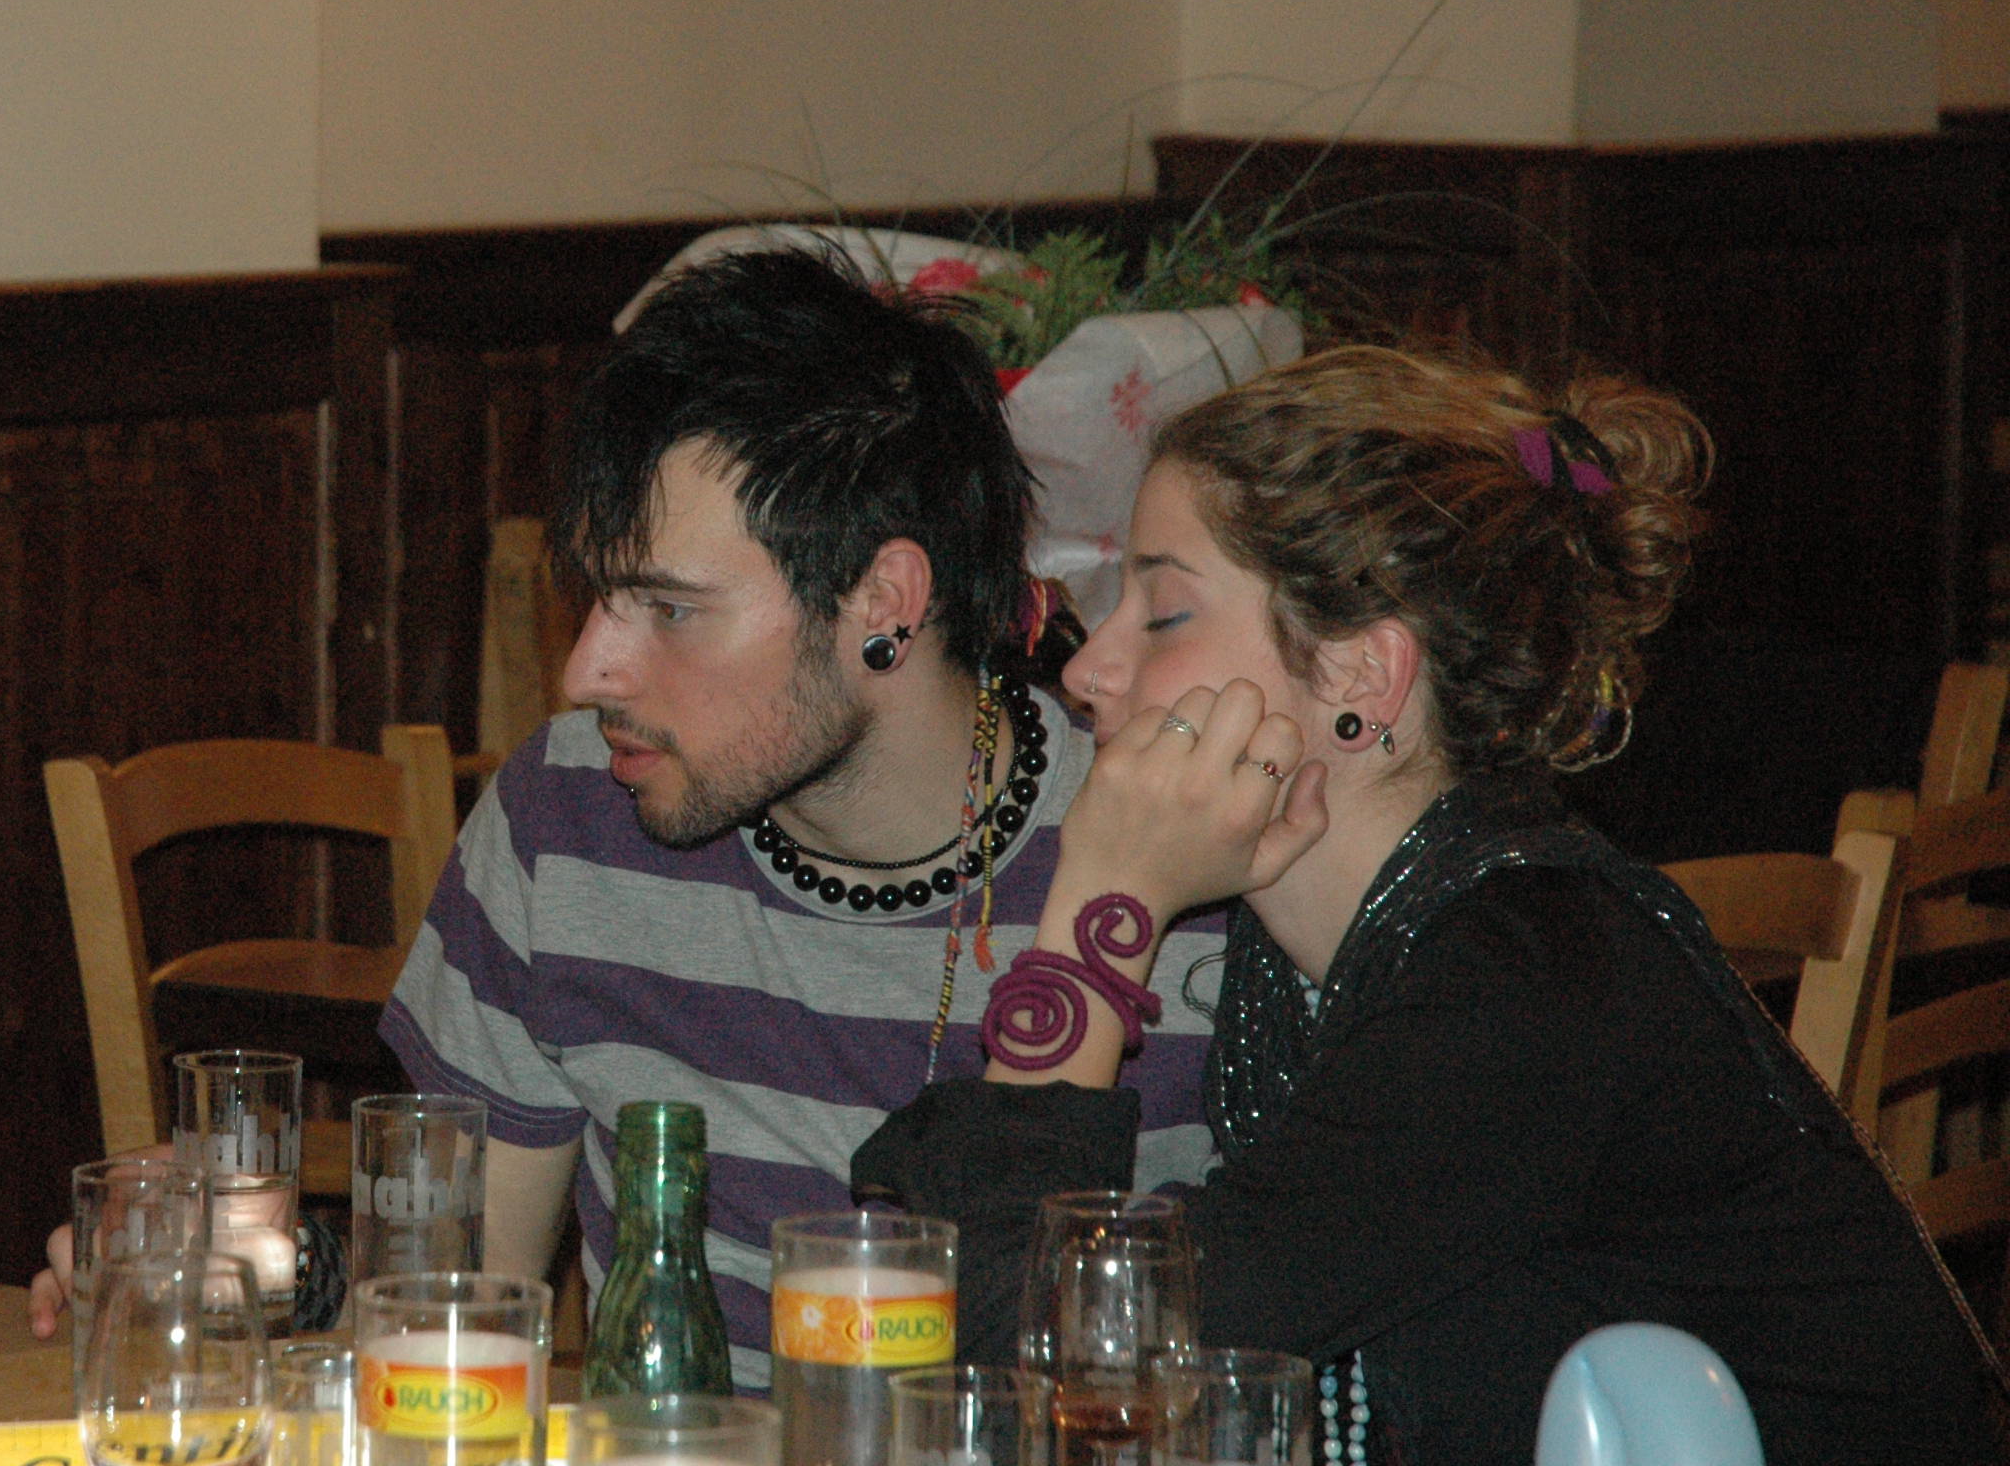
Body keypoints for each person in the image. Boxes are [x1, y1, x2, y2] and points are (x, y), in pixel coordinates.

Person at [851, 346, 2001, 1461]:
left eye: (1161, 613)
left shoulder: (1523, 980)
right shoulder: (1309, 956)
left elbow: (1038, 1363)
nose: (1086, 669)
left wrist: (1102, 898)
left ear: (1359, 671)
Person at [373, 247, 1225, 1390]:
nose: (584, 669)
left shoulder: (1174, 859)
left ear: (882, 602)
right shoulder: (564, 815)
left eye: (669, 607)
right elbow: (443, 1341)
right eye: (599, 593)